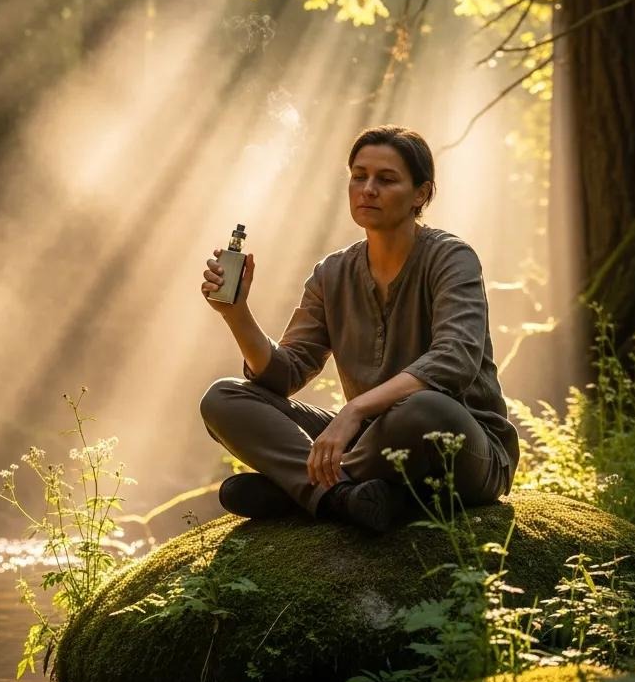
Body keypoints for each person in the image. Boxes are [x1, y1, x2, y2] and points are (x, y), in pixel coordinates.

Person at [199, 124, 520, 533]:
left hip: (460, 444)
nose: (368, 189)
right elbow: (285, 374)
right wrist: (236, 313)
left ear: (420, 194)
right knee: (223, 397)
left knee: (425, 409)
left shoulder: (452, 258)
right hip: (371, 443)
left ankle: (298, 489)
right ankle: (344, 496)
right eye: (359, 176)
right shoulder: (331, 273)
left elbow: (454, 360)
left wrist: (354, 410)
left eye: (386, 179)